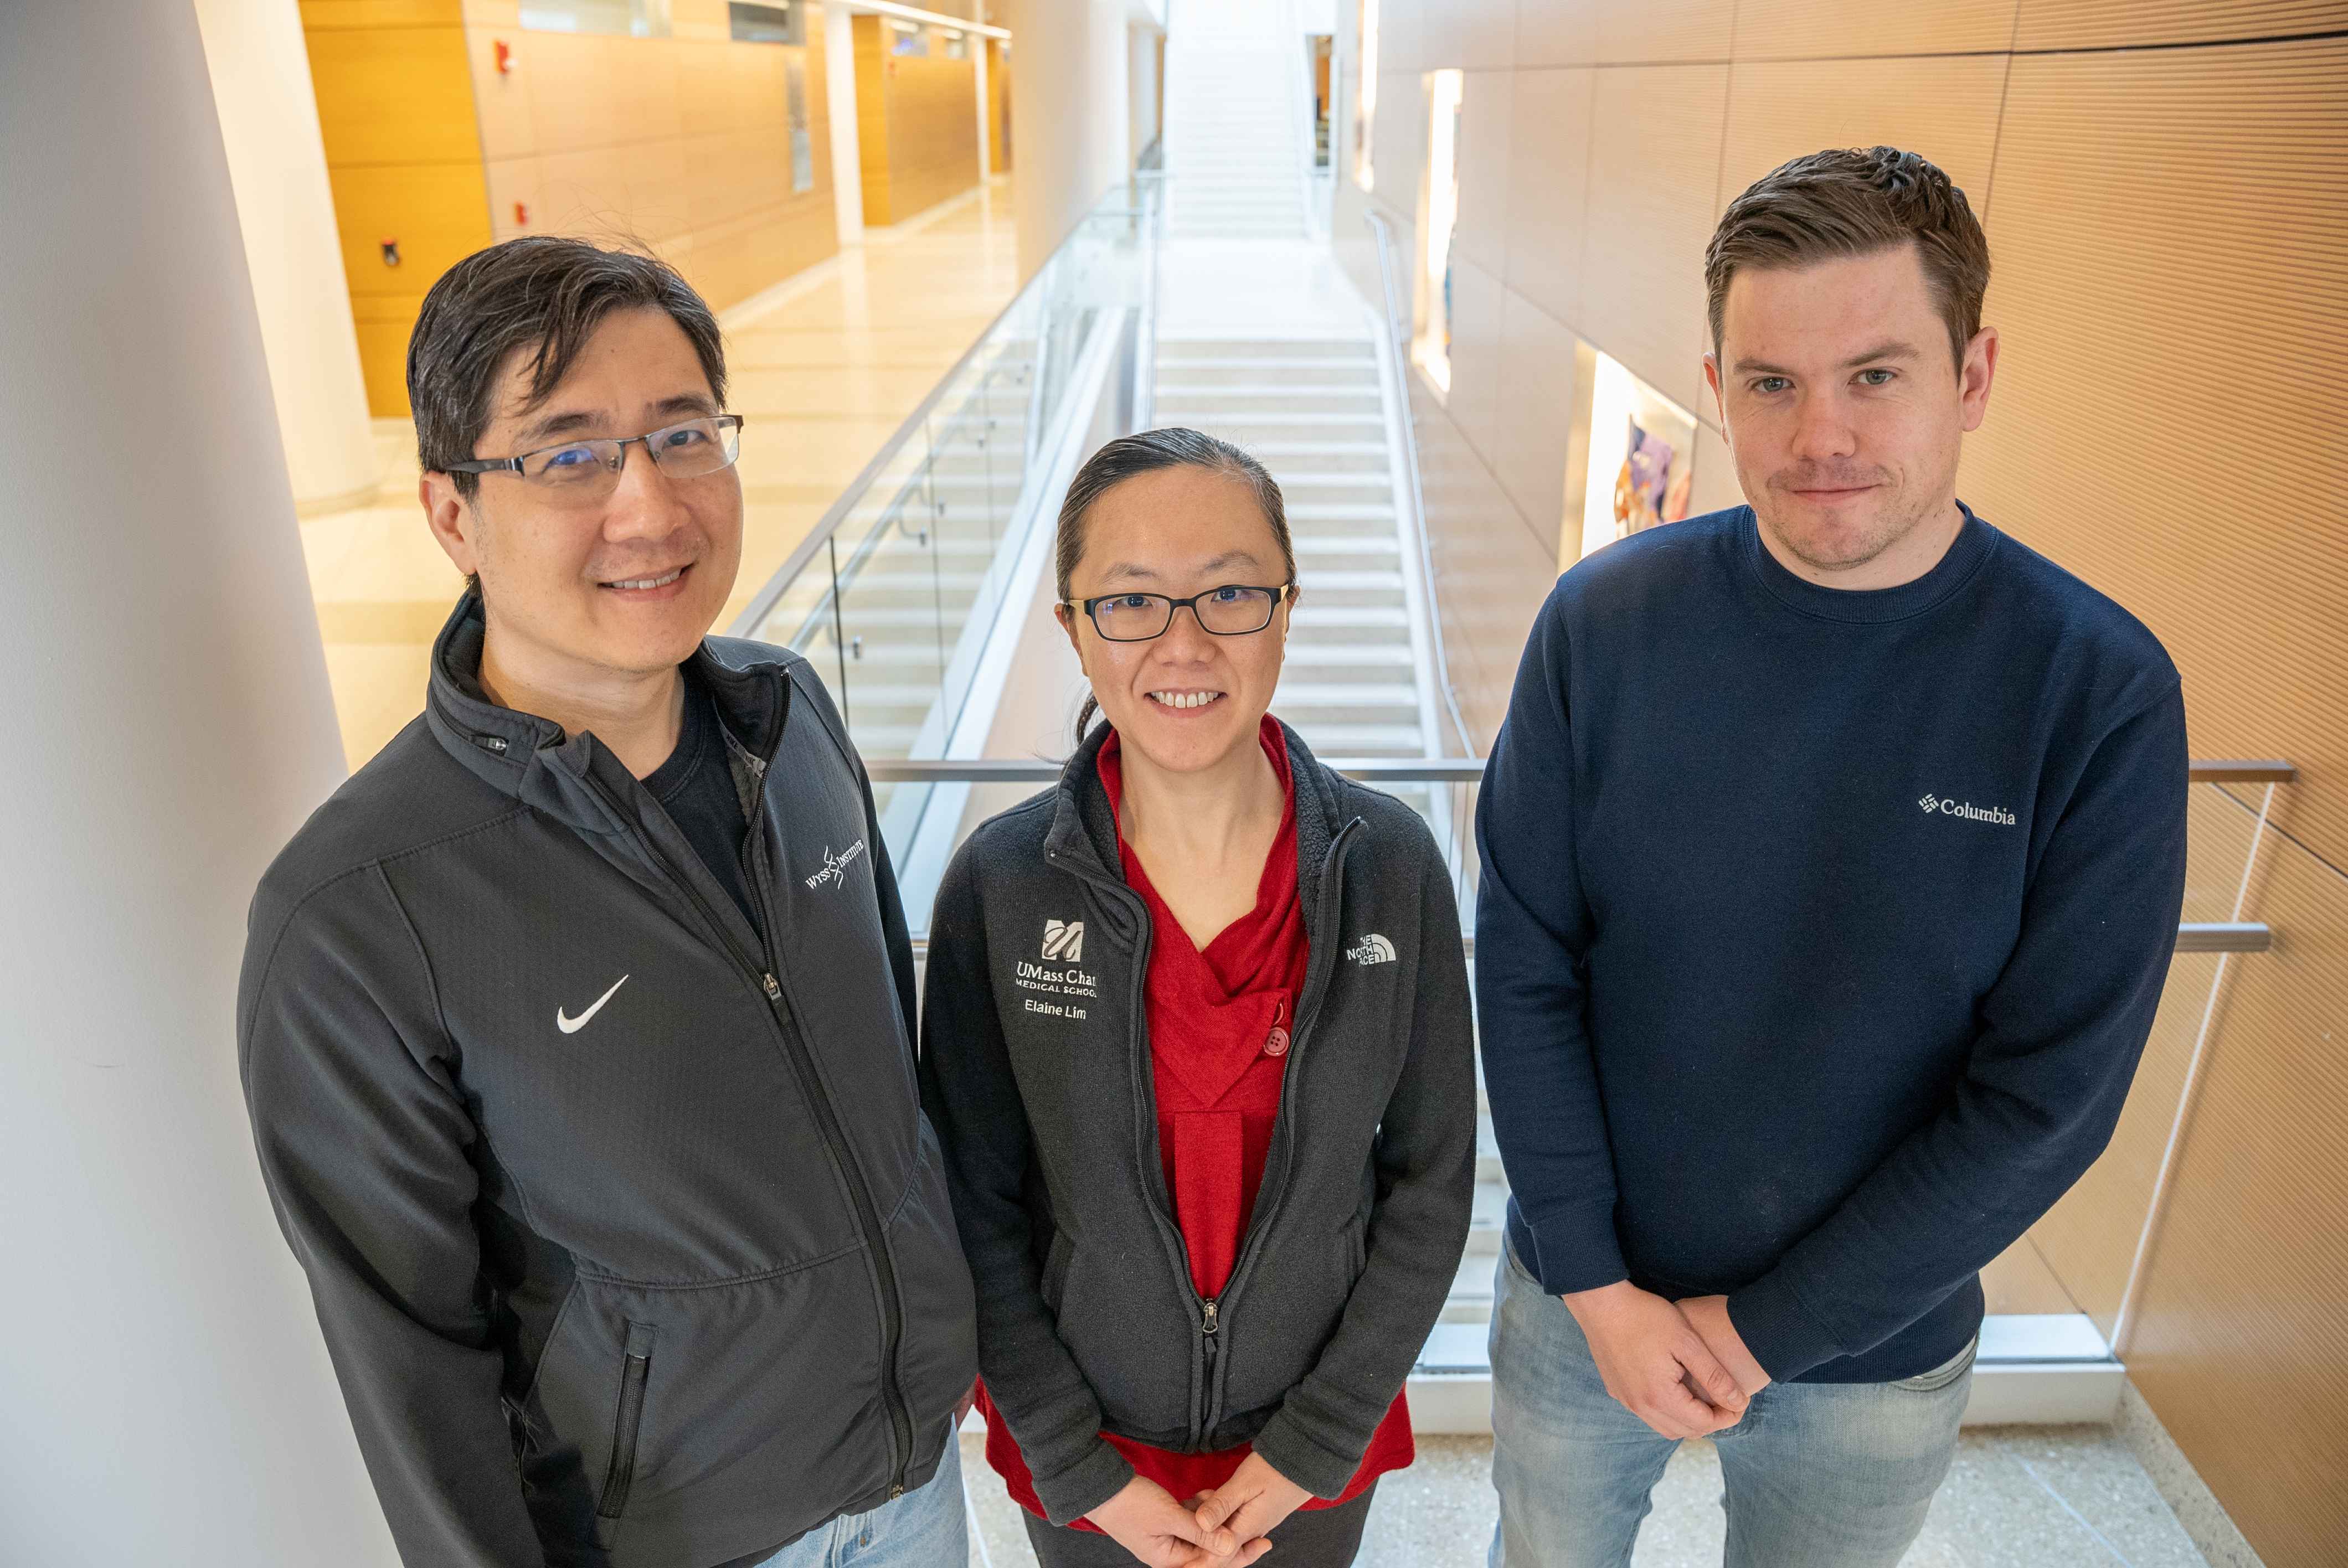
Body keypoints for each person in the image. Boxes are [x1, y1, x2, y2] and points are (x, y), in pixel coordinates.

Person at [1475, 146, 2189, 1566]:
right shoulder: (1601, 626)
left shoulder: (2093, 690)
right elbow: (1524, 959)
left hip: (1871, 1347)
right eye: (1770, 382)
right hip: (1580, 1304)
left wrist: (1766, 1333)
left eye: (1875, 374)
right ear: (1716, 380)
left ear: (1971, 377)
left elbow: (2046, 1095)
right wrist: (1599, 1282)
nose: (1819, 437)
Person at [238, 237, 976, 1568]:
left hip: (917, 1476)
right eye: (567, 454)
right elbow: (416, 1373)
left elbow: (884, 1083)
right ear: (453, 514)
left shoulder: (789, 717)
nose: (648, 508)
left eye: (683, 433)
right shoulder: (360, 915)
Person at [919, 429, 1476, 1567]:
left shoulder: (1392, 866)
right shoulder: (1002, 886)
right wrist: (1079, 1469)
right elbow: (973, 1205)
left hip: (1313, 1449)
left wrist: (1314, 1445)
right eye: (1128, 600)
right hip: (1090, 1458)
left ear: (1285, 606)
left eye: (1229, 592)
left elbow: (1430, 1183)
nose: (1182, 642)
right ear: (1070, 625)